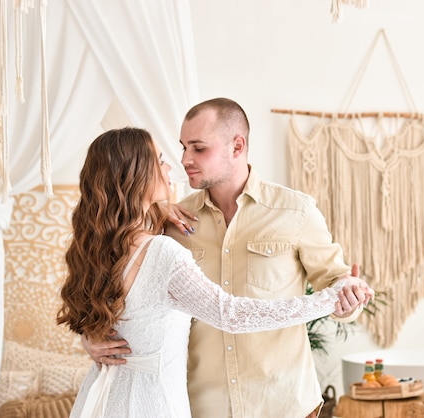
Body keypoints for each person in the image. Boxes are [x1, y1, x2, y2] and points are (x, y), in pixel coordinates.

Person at [82, 98, 375, 418]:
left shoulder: (296, 212)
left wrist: (347, 297)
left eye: (198, 148)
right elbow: (111, 279)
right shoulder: (169, 224)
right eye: (182, 148)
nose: (184, 160)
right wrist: (90, 335)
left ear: (237, 146)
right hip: (202, 407)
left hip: (282, 405)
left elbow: (337, 282)